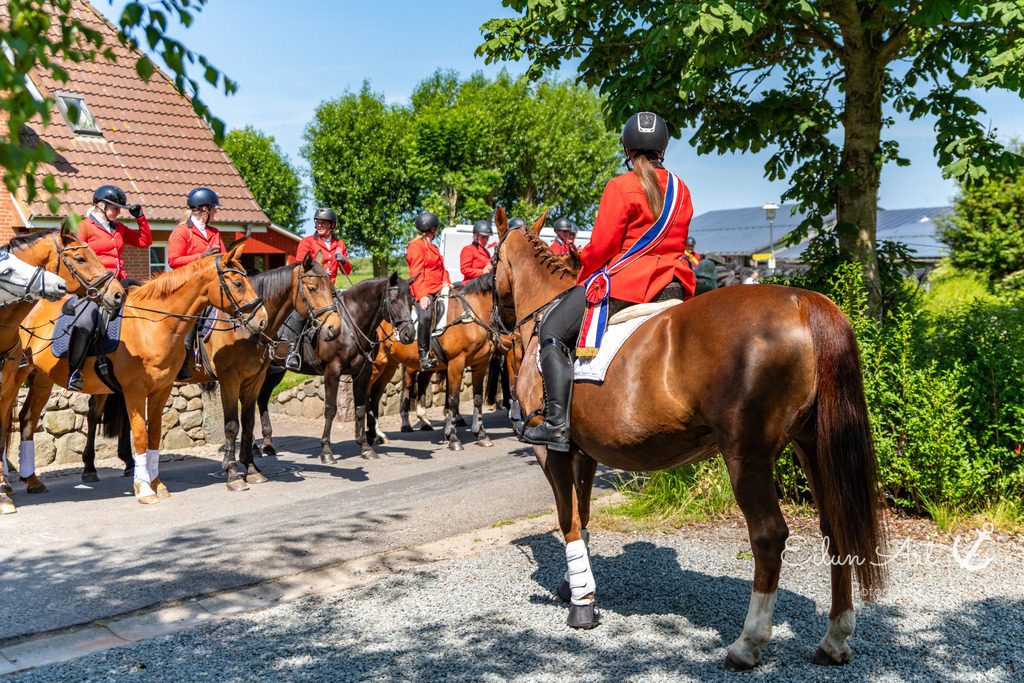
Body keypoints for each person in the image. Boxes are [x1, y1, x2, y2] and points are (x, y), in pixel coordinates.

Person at [523, 111, 694, 451]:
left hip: (628, 285)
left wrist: (584, 272)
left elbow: (602, 247)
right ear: (662, 148)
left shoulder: (621, 186)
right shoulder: (681, 189)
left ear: (627, 148)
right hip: (674, 284)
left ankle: (556, 425)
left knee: (551, 330)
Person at [66, 184, 151, 391]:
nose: (118, 212)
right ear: (100, 205)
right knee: (86, 322)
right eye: (114, 208)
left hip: (119, 284)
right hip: (92, 288)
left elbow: (145, 241)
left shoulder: (119, 228)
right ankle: (75, 372)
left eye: (119, 209)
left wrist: (140, 218)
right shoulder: (84, 227)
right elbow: (75, 259)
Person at [168, 187, 228, 379]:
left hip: (212, 284)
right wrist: (200, 257)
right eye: (214, 208)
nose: (216, 212)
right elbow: (173, 261)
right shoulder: (181, 232)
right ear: (204, 209)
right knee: (193, 313)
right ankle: (184, 360)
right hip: (189, 286)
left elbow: (224, 257)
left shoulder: (214, 232)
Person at [406, 211, 451, 370]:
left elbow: (442, 268)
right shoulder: (416, 245)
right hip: (423, 289)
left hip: (438, 288)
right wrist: (423, 296)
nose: (437, 230)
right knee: (425, 316)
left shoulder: (433, 246)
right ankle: (423, 355)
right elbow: (416, 273)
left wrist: (447, 282)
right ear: (432, 228)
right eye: (436, 227)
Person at [294, 207, 352, 282]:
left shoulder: (340, 244)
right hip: (313, 286)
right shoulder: (306, 242)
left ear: (332, 225)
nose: (319, 226)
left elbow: (347, 272)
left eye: (323, 223)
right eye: (318, 222)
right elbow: (300, 268)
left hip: (331, 286)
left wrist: (344, 261)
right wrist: (319, 272)